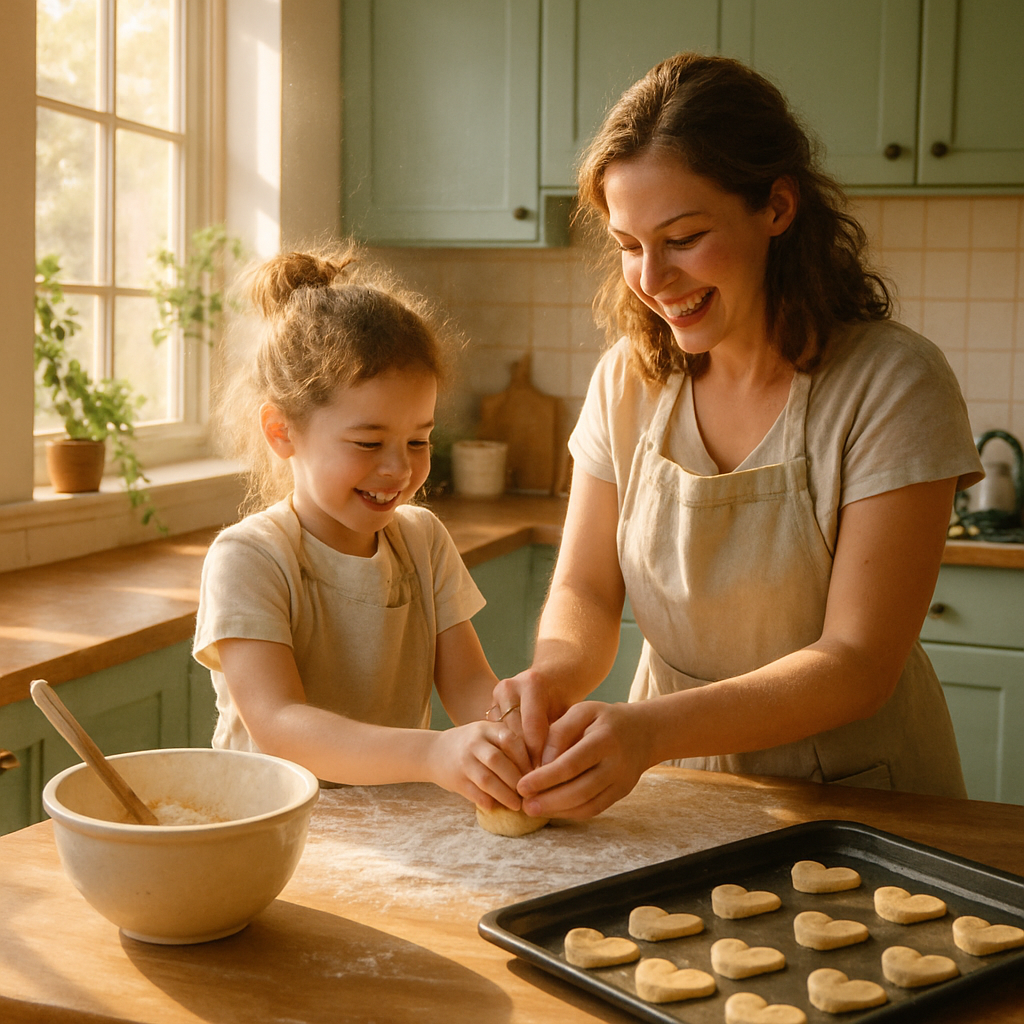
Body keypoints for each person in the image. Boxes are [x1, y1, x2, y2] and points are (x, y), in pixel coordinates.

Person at [494, 52, 984, 819]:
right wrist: (551, 676)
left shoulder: (893, 384)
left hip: (860, 800)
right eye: (628, 245)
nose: (652, 280)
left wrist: (648, 732)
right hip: (670, 785)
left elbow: (858, 664)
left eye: (683, 237)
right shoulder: (630, 380)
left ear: (778, 207)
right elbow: (585, 587)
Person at [193, 246, 529, 810]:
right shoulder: (250, 558)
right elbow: (280, 724)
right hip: (272, 830)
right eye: (369, 443)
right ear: (281, 431)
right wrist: (432, 754)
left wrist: (518, 732)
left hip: (394, 824)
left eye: (418, 440)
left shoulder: (421, 541)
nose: (399, 468)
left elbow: (472, 688)